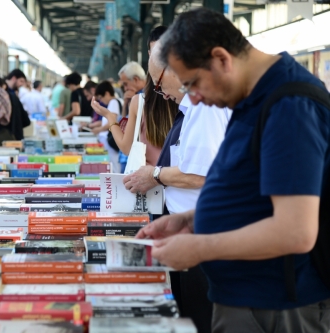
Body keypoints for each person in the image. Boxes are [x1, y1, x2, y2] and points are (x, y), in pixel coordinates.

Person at [142, 7, 330, 333]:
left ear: (221, 59)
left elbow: (295, 232)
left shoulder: (289, 107)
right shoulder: (250, 99)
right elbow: (255, 196)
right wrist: (191, 220)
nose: (195, 100)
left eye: (193, 84)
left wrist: (200, 247)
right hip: (247, 297)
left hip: (276, 304)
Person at [124, 39, 231, 332]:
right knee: (188, 312)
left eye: (159, 84)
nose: (161, 94)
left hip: (203, 235)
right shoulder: (193, 108)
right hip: (189, 227)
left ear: (175, 70)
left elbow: (203, 174)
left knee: (200, 317)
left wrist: (155, 175)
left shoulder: (205, 109)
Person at [92, 26, 179, 167]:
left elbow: (126, 148)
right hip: (179, 184)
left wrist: (110, 117)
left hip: (150, 184)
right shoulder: (192, 100)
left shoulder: (140, 102)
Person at [86, 81, 122, 173]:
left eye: (101, 98)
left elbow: (112, 121)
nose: (101, 101)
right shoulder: (114, 102)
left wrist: (99, 129)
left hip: (111, 138)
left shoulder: (114, 102)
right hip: (109, 138)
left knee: (114, 165)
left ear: (107, 93)